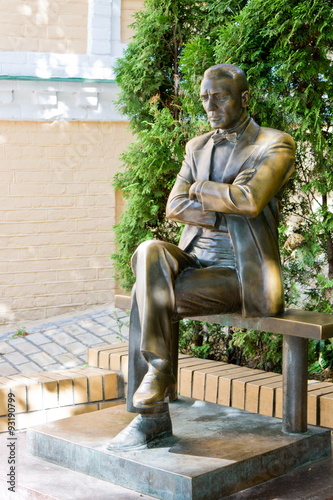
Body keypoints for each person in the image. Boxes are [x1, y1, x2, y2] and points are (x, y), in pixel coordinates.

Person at [107, 63, 295, 450]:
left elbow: (251, 199)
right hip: (195, 262)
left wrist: (200, 187)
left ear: (244, 98)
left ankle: (151, 417)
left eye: (220, 96)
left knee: (150, 296)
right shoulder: (197, 146)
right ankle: (158, 370)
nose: (210, 106)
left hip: (241, 273)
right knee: (149, 251)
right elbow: (174, 207)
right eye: (205, 98)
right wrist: (217, 204)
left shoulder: (275, 144)